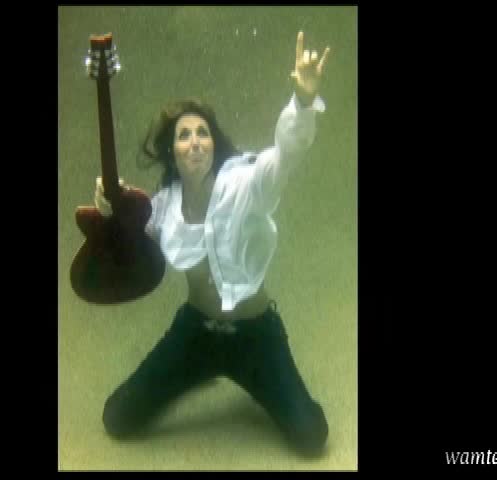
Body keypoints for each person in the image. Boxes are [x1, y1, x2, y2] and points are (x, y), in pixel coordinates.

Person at [94, 31, 331, 457]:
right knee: (118, 417)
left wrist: (301, 101)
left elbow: (283, 157)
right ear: (172, 151)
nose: (195, 142)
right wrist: (109, 204)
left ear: (213, 143)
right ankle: (197, 369)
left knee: (311, 437)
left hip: (256, 336)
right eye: (183, 135)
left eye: (202, 133)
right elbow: (125, 235)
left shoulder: (245, 184)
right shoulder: (162, 207)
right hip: (195, 333)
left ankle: (251, 375)